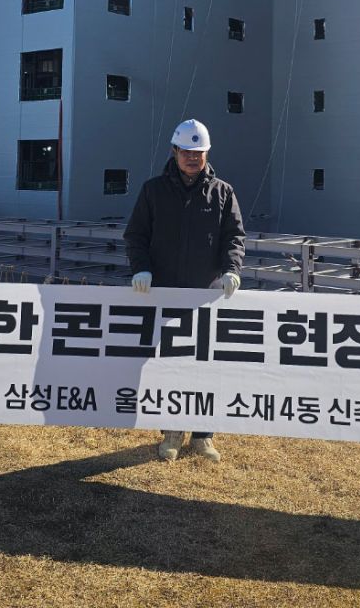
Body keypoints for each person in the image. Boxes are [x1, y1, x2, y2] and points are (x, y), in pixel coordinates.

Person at [124, 118, 246, 463]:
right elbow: (136, 236)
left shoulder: (223, 192)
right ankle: (172, 432)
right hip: (164, 295)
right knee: (169, 366)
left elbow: (234, 237)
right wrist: (141, 268)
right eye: (186, 152)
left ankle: (203, 436)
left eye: (199, 152)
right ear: (174, 151)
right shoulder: (153, 191)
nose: (193, 158)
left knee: (206, 366)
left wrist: (231, 270)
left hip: (206, 297)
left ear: (207, 153)